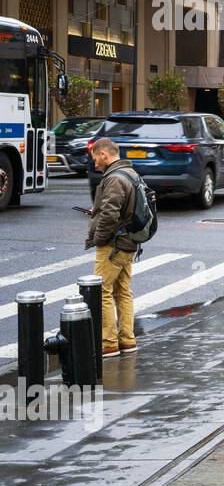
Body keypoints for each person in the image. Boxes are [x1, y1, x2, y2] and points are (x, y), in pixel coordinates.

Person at [86, 138, 142, 358]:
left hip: (113, 244)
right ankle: (127, 340)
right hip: (128, 242)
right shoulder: (130, 173)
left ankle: (108, 343)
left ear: (103, 155)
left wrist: (98, 238)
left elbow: (110, 214)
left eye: (95, 158)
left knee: (102, 292)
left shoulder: (115, 178)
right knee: (123, 292)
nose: (95, 164)